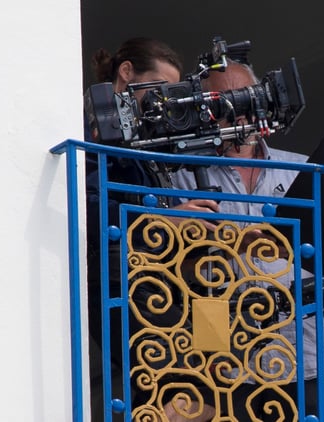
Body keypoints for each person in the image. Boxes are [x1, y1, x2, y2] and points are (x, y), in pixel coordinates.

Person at [169, 61, 324, 421]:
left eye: (243, 98)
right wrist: (233, 246)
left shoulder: (303, 169)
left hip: (300, 353)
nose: (235, 111)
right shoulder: (182, 177)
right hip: (222, 360)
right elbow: (170, 272)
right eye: (222, 101)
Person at [85, 37, 218, 422]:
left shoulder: (142, 142)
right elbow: (90, 207)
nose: (163, 102)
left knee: (181, 393)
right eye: (157, 89)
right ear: (127, 73)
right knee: (186, 394)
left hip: (154, 283)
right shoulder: (93, 131)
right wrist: (167, 219)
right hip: (120, 280)